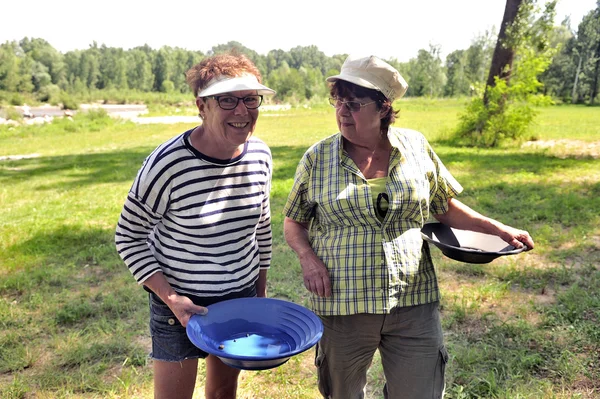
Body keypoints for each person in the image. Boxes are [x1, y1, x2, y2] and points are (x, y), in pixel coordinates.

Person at [282, 55, 534, 399]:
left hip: (412, 297)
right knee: (341, 393)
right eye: (338, 100)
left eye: (354, 103)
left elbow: (443, 206)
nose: (342, 111)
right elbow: (294, 221)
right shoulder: (318, 157)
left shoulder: (415, 147)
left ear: (384, 108)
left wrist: (498, 229)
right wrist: (307, 259)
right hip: (343, 302)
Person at [115, 53, 275, 399]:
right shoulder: (167, 163)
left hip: (239, 298)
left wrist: (259, 294)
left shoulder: (260, 155)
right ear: (202, 106)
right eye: (227, 100)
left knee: (221, 394)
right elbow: (128, 236)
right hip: (179, 305)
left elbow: (261, 228)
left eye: (250, 99)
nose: (242, 111)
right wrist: (171, 297)